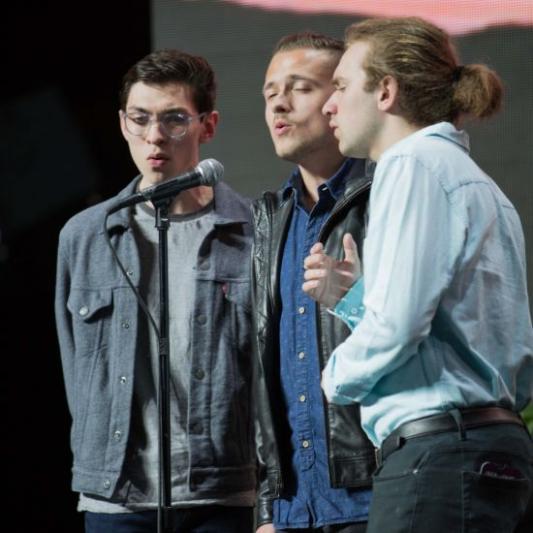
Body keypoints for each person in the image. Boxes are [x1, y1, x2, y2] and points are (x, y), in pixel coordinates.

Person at [303, 17, 533, 532]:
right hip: (489, 451)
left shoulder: (412, 164)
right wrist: (358, 299)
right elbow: (460, 337)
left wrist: (331, 379)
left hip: (439, 459)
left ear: (386, 91)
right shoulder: (477, 184)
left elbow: (401, 326)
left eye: (341, 86)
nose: (329, 104)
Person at [55, 49, 256, 532]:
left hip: (220, 492)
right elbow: (72, 363)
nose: (154, 136)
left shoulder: (252, 229)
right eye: (140, 119)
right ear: (123, 123)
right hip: (116, 497)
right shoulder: (86, 235)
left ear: (208, 126)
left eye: (174, 120)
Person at [252, 32, 376, 533]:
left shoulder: (384, 195)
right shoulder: (269, 218)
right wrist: (267, 507)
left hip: (372, 497)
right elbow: (265, 373)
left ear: (338, 99)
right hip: (293, 511)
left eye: (299, 87)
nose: (279, 103)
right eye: (269, 92)